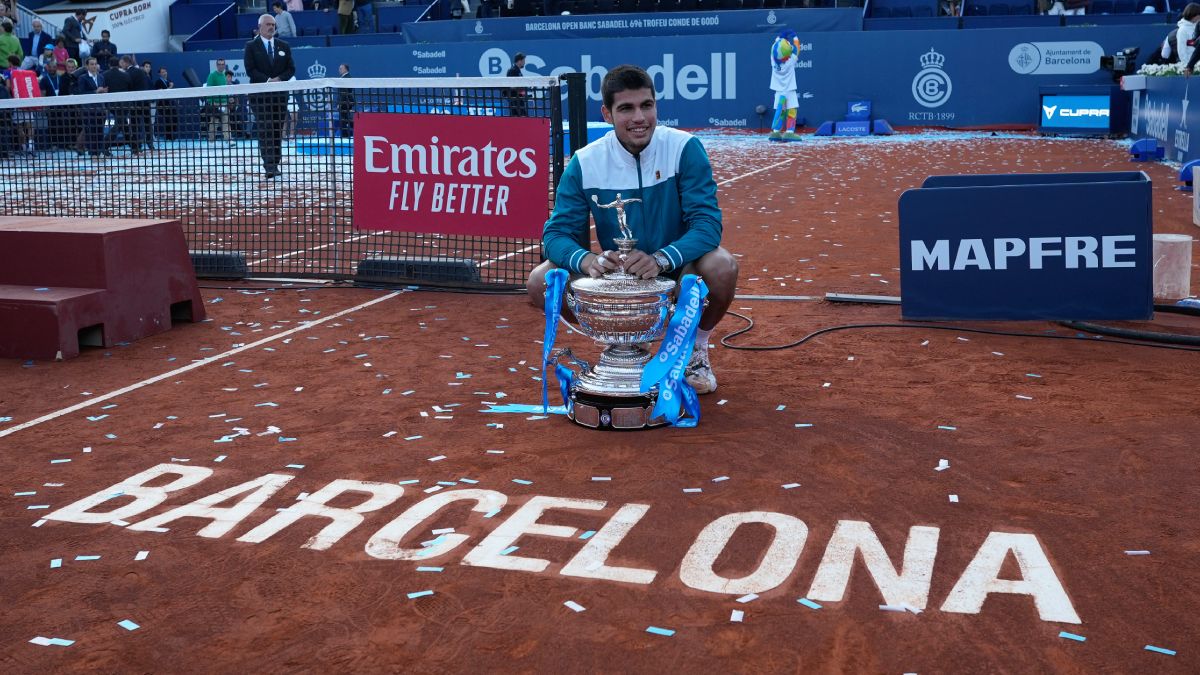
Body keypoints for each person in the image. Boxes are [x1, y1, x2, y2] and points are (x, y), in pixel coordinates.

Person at [527, 65, 738, 395]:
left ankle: (695, 348)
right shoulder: (585, 161)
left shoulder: (685, 148)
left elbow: (707, 225)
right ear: (607, 114)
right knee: (541, 281)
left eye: (647, 105)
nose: (639, 117)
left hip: (678, 271)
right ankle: (620, 344)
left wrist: (661, 259)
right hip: (618, 284)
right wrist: (587, 262)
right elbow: (555, 234)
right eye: (626, 108)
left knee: (721, 266)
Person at [244, 13, 295, 178]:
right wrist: (267, 80)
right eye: (268, 24)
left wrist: (279, 79)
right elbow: (250, 70)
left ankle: (276, 163)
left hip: (280, 96)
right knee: (265, 129)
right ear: (260, 27)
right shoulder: (251, 46)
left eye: (273, 24)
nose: (271, 27)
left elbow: (291, 68)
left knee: (276, 130)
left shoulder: (284, 45)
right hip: (260, 97)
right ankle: (269, 166)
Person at [768, 30, 801, 142]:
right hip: (790, 90)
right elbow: (797, 48)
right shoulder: (791, 60)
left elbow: (775, 45)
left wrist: (781, 36)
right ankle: (789, 132)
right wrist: (795, 37)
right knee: (791, 111)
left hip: (778, 91)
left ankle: (776, 132)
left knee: (780, 111)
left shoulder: (773, 58)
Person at [75, 57, 110, 157]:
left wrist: (103, 92)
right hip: (88, 110)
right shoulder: (82, 78)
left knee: (100, 131)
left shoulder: (101, 77)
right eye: (92, 64)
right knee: (90, 132)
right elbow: (81, 93)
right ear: (87, 66)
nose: (94, 66)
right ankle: (92, 153)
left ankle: (99, 152)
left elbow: (102, 92)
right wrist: (96, 91)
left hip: (101, 110)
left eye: (95, 64)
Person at [204, 57, 233, 145]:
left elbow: (225, 90)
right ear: (216, 65)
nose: (221, 66)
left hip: (224, 103)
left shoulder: (224, 76)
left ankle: (228, 140)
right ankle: (211, 141)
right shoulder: (212, 75)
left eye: (222, 64)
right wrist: (211, 102)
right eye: (219, 64)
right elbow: (208, 89)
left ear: (224, 65)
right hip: (215, 103)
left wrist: (228, 99)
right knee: (214, 122)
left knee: (226, 122)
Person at [154, 66, 176, 141]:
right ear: (159, 74)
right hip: (162, 104)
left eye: (165, 71)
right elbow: (161, 93)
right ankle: (168, 136)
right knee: (168, 120)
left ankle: (172, 134)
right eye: (163, 72)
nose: (165, 73)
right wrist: (170, 87)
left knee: (174, 119)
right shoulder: (158, 82)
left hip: (170, 104)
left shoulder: (168, 81)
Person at [506, 51, 526, 117]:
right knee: (519, 118)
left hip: (519, 99)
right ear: (519, 61)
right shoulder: (512, 70)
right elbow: (510, 86)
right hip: (515, 100)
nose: (524, 62)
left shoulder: (518, 71)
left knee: (522, 117)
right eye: (523, 60)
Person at [337, 62, 354, 138]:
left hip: (345, 102)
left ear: (345, 69)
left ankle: (345, 135)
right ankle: (349, 133)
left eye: (341, 68)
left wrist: (340, 103)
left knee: (344, 119)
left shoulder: (346, 78)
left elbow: (344, 92)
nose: (339, 70)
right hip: (347, 102)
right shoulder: (345, 77)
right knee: (346, 118)